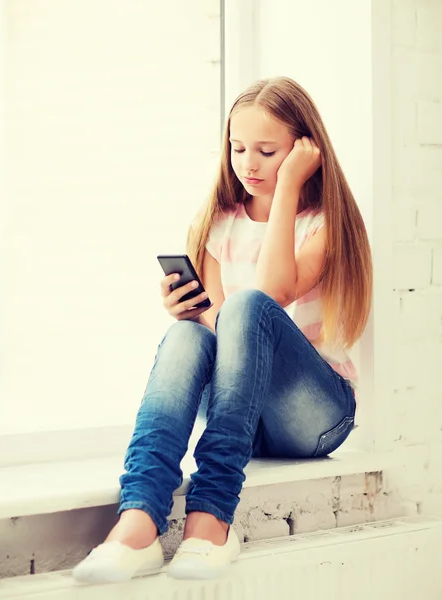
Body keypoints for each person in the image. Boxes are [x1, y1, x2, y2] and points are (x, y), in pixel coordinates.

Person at [72, 76, 372, 584]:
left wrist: (291, 186)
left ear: (305, 149)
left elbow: (273, 291)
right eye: (237, 148)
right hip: (244, 415)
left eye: (267, 150)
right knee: (189, 336)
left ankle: (212, 514)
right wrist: (188, 312)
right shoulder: (219, 223)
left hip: (315, 415)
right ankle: (139, 517)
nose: (248, 163)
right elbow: (217, 327)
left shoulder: (323, 224)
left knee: (249, 304)